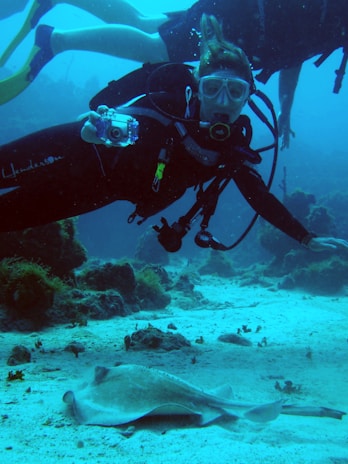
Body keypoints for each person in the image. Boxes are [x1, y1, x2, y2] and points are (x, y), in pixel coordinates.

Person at [0, 14, 347, 255]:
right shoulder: (168, 99)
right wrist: (96, 121)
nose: (222, 102)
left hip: (94, 192)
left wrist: (305, 238)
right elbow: (101, 102)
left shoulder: (231, 146)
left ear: (247, 96)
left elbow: (258, 195)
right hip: (77, 146)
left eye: (236, 92)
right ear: (197, 87)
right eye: (212, 88)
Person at [1, 0, 348, 149]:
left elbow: (295, 54)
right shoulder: (337, 20)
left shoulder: (331, 22)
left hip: (237, 17)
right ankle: (54, 40)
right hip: (234, 23)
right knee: (155, 49)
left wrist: (286, 112)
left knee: (143, 24)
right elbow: (294, 46)